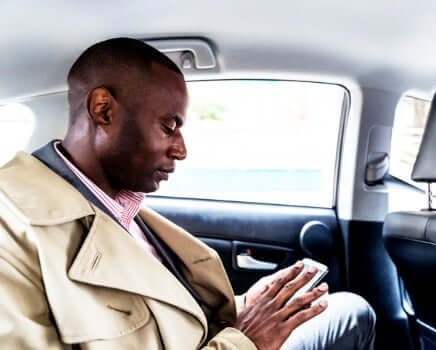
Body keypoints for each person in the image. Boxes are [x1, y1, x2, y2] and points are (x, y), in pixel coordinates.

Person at [0, 38, 375, 349]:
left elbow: (165, 313)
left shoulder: (117, 206)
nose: (181, 149)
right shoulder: (11, 228)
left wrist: (243, 308)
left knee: (351, 310)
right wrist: (245, 340)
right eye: (168, 126)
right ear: (103, 110)